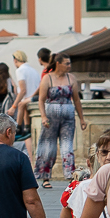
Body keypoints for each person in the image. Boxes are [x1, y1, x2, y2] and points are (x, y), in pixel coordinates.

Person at [34, 55, 82, 186]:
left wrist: (81, 118)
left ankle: (70, 175)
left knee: (67, 145)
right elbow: (41, 100)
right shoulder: (47, 78)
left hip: (68, 116)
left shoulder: (71, 78)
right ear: (58, 63)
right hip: (51, 116)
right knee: (48, 145)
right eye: (66, 63)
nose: (69, 66)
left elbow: (76, 100)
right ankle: (45, 177)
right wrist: (43, 116)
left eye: (69, 63)